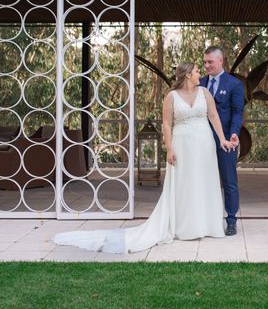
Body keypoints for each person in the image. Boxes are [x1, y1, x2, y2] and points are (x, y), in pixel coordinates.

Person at [52, 62, 235, 253]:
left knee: (204, 181)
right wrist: (169, 148)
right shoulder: (171, 97)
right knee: (184, 184)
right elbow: (166, 125)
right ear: (188, 75)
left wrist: (222, 139)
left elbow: (214, 117)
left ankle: (207, 225)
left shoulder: (205, 93)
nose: (200, 74)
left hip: (204, 144)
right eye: (197, 71)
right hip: (182, 145)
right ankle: (186, 227)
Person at [199, 46, 245, 236]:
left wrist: (234, 133)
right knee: (201, 180)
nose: (206, 65)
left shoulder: (234, 84)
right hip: (201, 140)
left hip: (225, 141)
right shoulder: (199, 83)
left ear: (221, 61)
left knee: (229, 181)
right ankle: (203, 218)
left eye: (210, 62)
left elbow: (237, 112)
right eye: (205, 62)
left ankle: (231, 220)